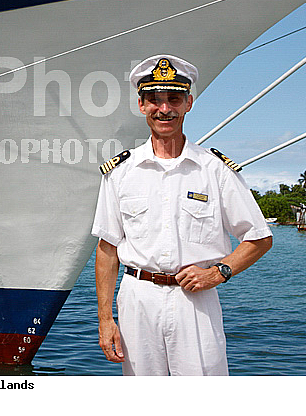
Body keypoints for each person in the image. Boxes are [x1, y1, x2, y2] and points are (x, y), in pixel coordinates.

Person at [92, 54, 273, 376]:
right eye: (154, 101)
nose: (165, 109)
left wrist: (219, 272)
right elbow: (107, 249)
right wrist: (105, 320)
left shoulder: (214, 169)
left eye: (173, 99)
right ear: (141, 105)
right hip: (137, 299)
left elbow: (259, 237)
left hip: (195, 302)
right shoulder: (120, 172)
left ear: (188, 103)